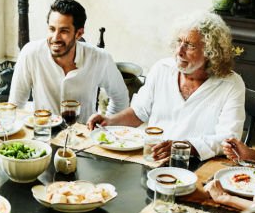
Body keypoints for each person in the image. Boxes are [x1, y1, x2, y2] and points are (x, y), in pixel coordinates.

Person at [87, 10, 246, 162]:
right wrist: (108, 121)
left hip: (199, 164)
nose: (179, 51)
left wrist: (181, 147)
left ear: (211, 51)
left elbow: (228, 140)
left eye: (190, 45)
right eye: (179, 42)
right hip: (154, 159)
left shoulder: (231, 85)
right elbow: (139, 112)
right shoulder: (161, 69)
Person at [8, 0, 129, 123]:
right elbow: (15, 105)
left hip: (84, 137)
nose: (55, 38)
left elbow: (120, 99)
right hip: (43, 134)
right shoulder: (30, 53)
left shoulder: (100, 58)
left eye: (64, 31)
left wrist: (105, 126)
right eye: (52, 29)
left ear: (79, 33)